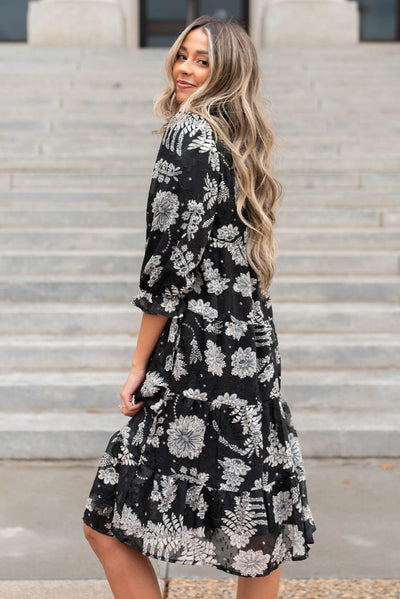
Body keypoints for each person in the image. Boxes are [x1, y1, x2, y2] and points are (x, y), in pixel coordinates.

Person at [83, 15, 316, 599]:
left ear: (228, 72)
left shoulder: (189, 135)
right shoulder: (238, 137)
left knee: (105, 524)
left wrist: (139, 364)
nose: (185, 68)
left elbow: (166, 268)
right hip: (249, 350)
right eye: (183, 54)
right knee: (253, 527)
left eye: (203, 60)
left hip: (199, 357)